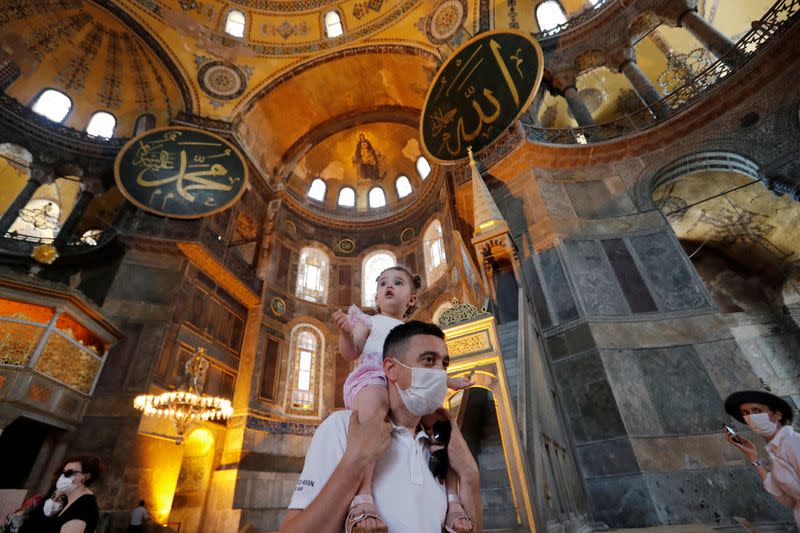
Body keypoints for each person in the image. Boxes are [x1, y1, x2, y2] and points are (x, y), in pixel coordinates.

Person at [280, 321, 481, 533]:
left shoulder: (438, 443)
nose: (440, 373)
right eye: (429, 361)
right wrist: (355, 460)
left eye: (445, 364)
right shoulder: (341, 427)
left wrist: (470, 474)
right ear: (391, 368)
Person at [331, 266, 473, 532]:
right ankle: (362, 498)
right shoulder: (369, 322)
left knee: (443, 426)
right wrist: (346, 333)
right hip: (373, 378)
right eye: (383, 283)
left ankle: (453, 502)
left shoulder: (414, 334)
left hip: (407, 386)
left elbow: (427, 370)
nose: (389, 286)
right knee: (374, 413)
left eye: (398, 282)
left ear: (412, 299)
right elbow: (351, 352)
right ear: (376, 297)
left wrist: (450, 381)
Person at [724, 390, 800, 526]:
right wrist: (753, 457)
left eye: (757, 411)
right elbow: (786, 500)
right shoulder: (775, 451)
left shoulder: (793, 442)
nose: (751, 417)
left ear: (777, 415)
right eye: (746, 413)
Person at [43, 456, 102, 533]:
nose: (62, 477)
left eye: (69, 473)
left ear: (85, 477)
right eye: (63, 472)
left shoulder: (83, 506)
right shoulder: (70, 501)